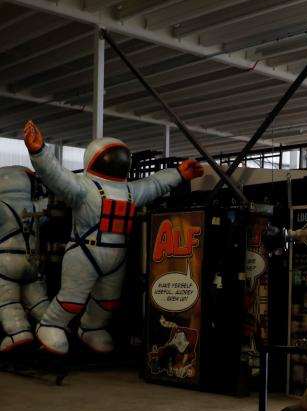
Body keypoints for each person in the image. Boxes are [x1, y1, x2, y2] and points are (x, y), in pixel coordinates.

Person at [24, 119, 204, 355]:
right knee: (72, 299)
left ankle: (92, 328)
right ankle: (51, 324)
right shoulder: (82, 187)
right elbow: (56, 175)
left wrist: (178, 174)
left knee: (107, 302)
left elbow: (154, 184)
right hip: (84, 252)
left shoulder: (130, 190)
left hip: (116, 256)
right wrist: (39, 152)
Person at [0, 165, 49, 351]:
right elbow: (52, 206)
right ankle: (52, 330)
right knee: (38, 300)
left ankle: (17, 332)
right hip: (32, 262)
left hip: (5, 264)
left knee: (7, 300)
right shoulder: (35, 206)